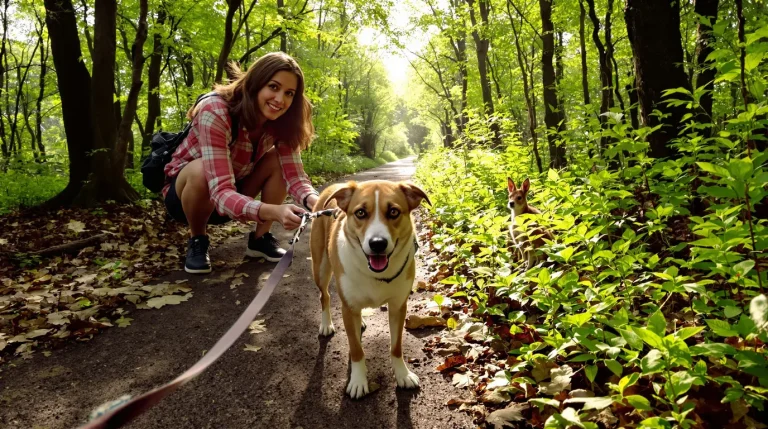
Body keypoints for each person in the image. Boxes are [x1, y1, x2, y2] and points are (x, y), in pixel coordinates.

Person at [162, 52, 320, 274]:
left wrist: (318, 202)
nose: (280, 99)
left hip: (233, 191)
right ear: (256, 83)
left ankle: (259, 239)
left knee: (276, 159)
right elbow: (219, 190)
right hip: (187, 197)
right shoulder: (215, 110)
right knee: (200, 170)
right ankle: (197, 239)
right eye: (273, 87)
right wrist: (273, 211)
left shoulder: (282, 121)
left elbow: (295, 176)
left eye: (289, 93)